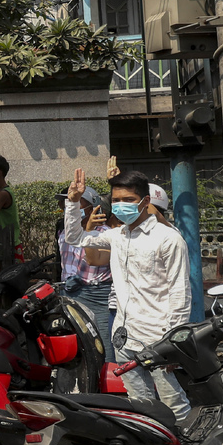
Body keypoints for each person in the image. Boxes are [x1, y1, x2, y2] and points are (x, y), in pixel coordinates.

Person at [64, 169, 192, 420]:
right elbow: (75, 238)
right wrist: (73, 203)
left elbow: (180, 294)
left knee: (173, 402)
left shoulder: (168, 239)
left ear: (145, 202)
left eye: (128, 200)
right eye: (117, 200)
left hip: (157, 338)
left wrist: (172, 342)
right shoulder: (117, 236)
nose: (121, 205)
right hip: (124, 338)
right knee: (140, 405)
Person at [58, 187, 113, 358]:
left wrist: (90, 230)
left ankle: (109, 382)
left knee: (103, 345)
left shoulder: (106, 234)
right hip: (69, 293)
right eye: (67, 203)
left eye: (77, 202)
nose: (69, 207)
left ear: (93, 206)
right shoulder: (65, 234)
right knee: (77, 345)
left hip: (97, 295)